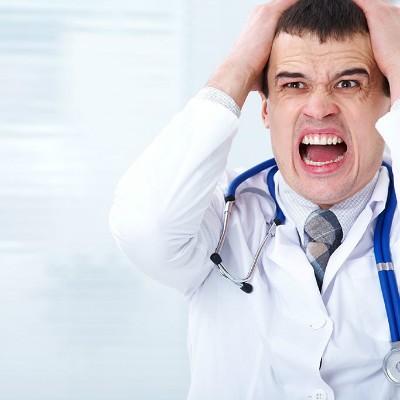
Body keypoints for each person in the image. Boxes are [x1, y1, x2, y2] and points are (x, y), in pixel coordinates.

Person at [109, 0, 400, 398]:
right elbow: (144, 227)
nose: (319, 108)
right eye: (293, 84)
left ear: (389, 105)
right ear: (265, 109)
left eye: (348, 84)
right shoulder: (216, 217)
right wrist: (240, 64)